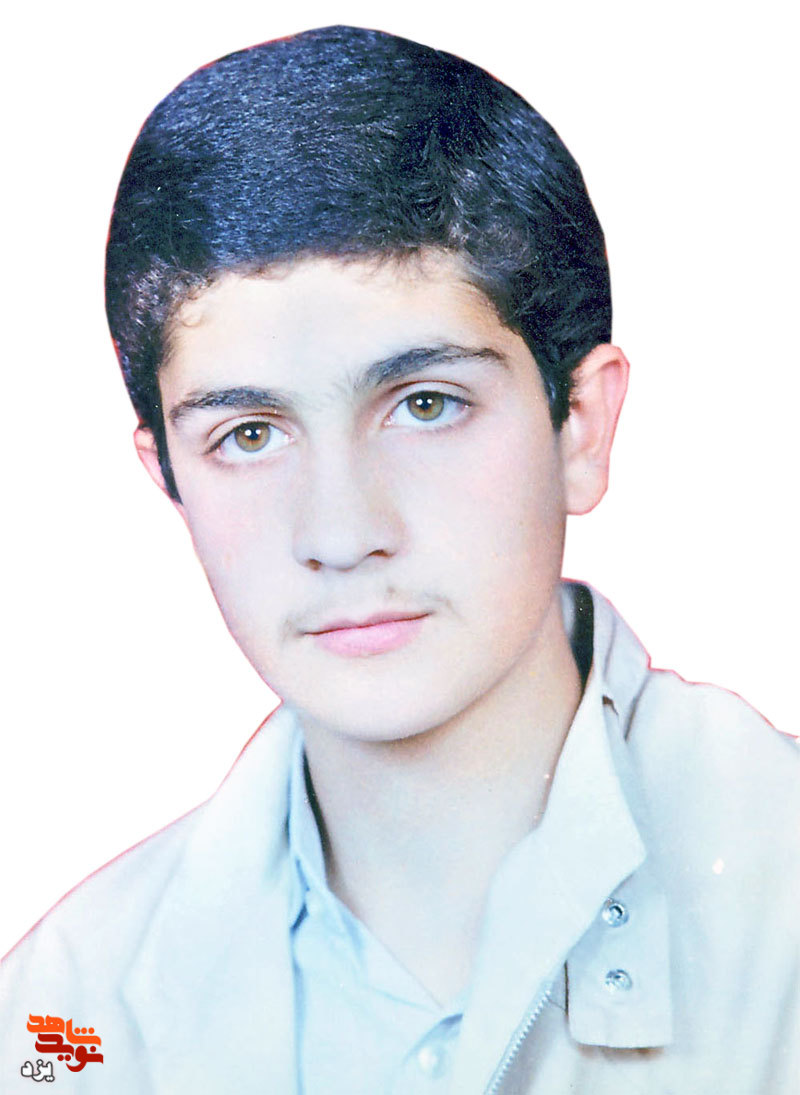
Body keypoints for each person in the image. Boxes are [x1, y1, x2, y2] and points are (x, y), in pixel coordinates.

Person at [1, 24, 797, 1094]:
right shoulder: (66, 1020)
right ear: (168, 476)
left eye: (425, 405)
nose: (340, 533)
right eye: (249, 435)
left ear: (580, 425)